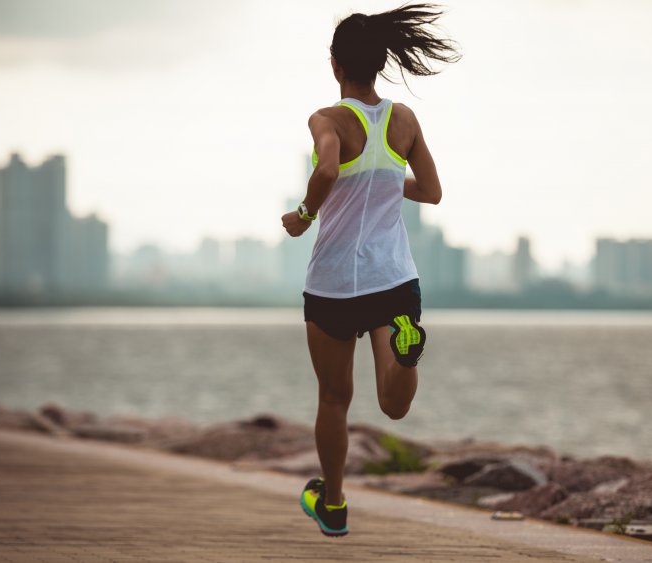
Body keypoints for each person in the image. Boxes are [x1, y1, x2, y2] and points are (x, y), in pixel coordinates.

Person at [280, 3, 459, 538]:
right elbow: (431, 191)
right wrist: (381, 180)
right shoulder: (403, 120)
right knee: (393, 403)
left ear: (335, 65)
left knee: (335, 398)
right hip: (393, 280)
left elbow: (330, 166)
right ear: (380, 63)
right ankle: (406, 347)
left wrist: (305, 214)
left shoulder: (327, 119)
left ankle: (333, 505)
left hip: (333, 284)